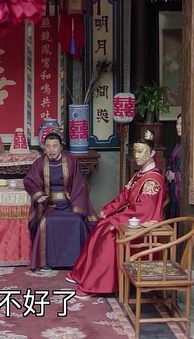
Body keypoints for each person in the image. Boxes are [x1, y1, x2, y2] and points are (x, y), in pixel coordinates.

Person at [67, 138, 166, 297]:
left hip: (143, 225)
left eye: (141, 151)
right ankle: (84, 275)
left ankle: (96, 285)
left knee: (108, 235)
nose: (137, 155)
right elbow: (124, 196)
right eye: (135, 151)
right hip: (132, 218)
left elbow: (143, 210)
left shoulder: (153, 180)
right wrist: (108, 210)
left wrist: (116, 220)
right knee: (101, 226)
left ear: (152, 153)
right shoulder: (140, 175)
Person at [24, 132, 98, 270]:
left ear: (61, 147)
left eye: (55, 146)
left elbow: (79, 185)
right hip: (49, 205)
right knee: (46, 222)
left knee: (77, 221)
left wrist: (77, 206)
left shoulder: (70, 161)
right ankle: (47, 262)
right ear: (44, 148)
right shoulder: (39, 163)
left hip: (69, 203)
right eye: (48, 146)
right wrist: (39, 195)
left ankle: (77, 262)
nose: (51, 150)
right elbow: (29, 181)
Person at [165, 113, 182, 219]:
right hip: (173, 185)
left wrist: (175, 176)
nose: (178, 127)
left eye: (181, 124)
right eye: (177, 123)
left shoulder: (191, 145)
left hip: (180, 186)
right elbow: (172, 161)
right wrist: (168, 171)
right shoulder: (179, 143)